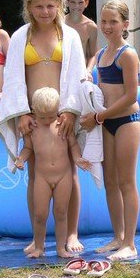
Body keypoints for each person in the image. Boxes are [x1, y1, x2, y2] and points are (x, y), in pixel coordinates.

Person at [0, 0, 86, 256]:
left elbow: (78, 74)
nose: (45, 11)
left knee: (69, 170)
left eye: (50, 6)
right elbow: (13, 76)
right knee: (36, 174)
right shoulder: (20, 37)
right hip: (33, 115)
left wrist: (70, 110)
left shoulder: (69, 36)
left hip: (63, 113)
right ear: (29, 7)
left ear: (59, 6)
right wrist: (22, 112)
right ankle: (38, 240)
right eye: (39, 6)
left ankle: (71, 233)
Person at [79, 0, 140, 262]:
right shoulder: (103, 53)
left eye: (113, 22)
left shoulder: (127, 54)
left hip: (127, 122)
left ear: (125, 24)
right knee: (110, 183)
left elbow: (131, 96)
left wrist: (98, 117)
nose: (107, 26)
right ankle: (118, 236)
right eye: (103, 21)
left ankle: (130, 243)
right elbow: (99, 86)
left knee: (126, 182)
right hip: (106, 122)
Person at [14, 87, 91, 258]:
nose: (47, 120)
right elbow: (28, 148)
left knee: (61, 213)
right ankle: (39, 247)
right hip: (42, 177)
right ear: (34, 111)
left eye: (51, 116)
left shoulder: (62, 125)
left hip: (63, 176)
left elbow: (73, 145)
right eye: (42, 117)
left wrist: (78, 159)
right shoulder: (32, 128)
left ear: (58, 109)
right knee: (40, 214)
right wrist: (21, 159)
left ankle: (60, 248)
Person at [65, 0, 98, 76]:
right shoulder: (60, 23)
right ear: (67, 2)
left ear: (86, 3)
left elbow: (93, 54)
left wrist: (88, 70)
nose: (76, 6)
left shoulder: (91, 27)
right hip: (62, 72)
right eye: (73, 2)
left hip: (81, 73)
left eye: (80, 2)